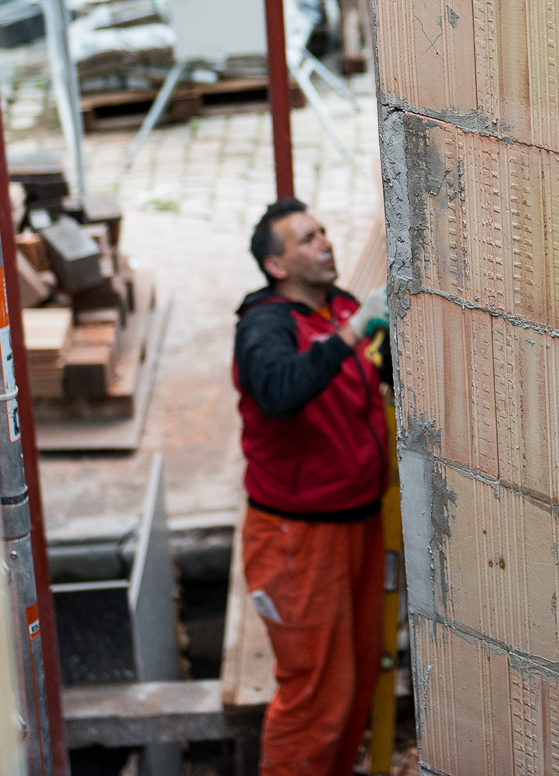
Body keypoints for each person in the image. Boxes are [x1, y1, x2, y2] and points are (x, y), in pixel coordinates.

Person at [233, 198, 391, 776]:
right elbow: (277, 391)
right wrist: (352, 333)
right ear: (277, 266)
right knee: (314, 701)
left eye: (323, 232)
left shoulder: (344, 308)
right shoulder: (266, 326)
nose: (324, 242)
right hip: (297, 541)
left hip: (360, 524)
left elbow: (385, 370)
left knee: (350, 691)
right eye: (306, 239)